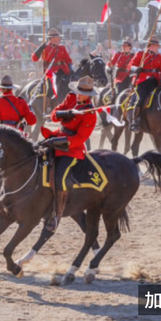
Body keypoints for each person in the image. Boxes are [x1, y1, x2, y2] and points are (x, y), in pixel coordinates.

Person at [41, 76, 98, 233]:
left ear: (90, 95)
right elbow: (53, 114)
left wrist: (59, 142)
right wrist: (63, 113)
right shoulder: (71, 97)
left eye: (83, 93)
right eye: (78, 91)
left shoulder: (90, 113)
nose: (79, 95)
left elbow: (80, 138)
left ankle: (56, 215)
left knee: (59, 177)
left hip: (71, 148)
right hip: (57, 135)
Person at [128, 37, 161, 131]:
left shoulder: (159, 57)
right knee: (141, 99)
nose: (158, 48)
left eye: (158, 46)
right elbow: (130, 65)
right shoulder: (140, 54)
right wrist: (135, 69)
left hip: (155, 81)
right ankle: (135, 121)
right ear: (150, 46)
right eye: (156, 46)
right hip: (143, 81)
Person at [31, 28, 73, 98]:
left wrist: (71, 69)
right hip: (50, 72)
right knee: (50, 88)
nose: (59, 39)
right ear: (52, 38)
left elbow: (68, 60)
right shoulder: (45, 48)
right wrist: (40, 48)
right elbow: (34, 59)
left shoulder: (62, 48)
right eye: (57, 37)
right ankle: (49, 102)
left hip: (62, 71)